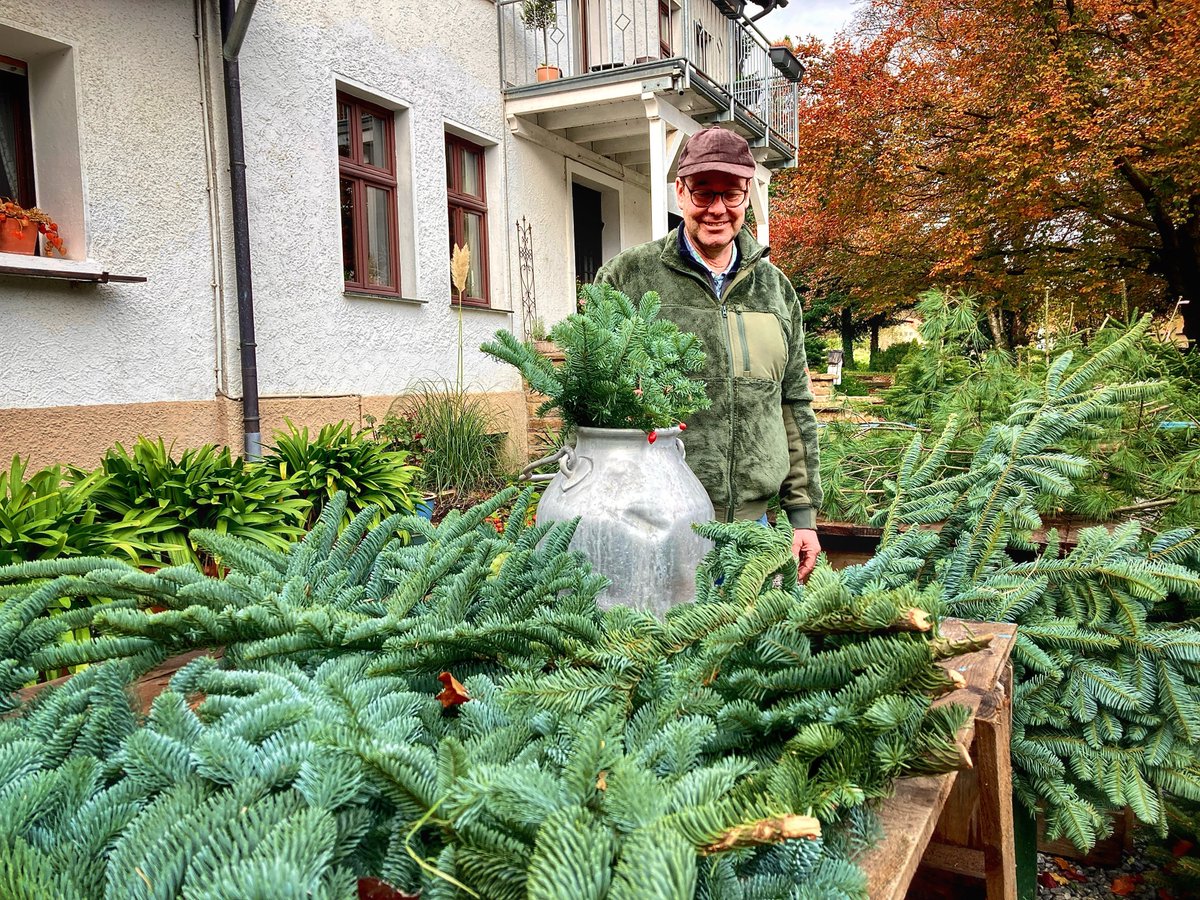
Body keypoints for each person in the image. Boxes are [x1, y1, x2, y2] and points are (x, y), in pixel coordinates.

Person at [595, 125, 823, 579]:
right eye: (703, 193)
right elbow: (594, 402)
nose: (717, 209)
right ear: (680, 193)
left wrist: (803, 517)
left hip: (755, 528)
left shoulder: (776, 291)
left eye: (731, 194)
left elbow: (793, 406)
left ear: (746, 197)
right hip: (657, 523)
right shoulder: (628, 278)